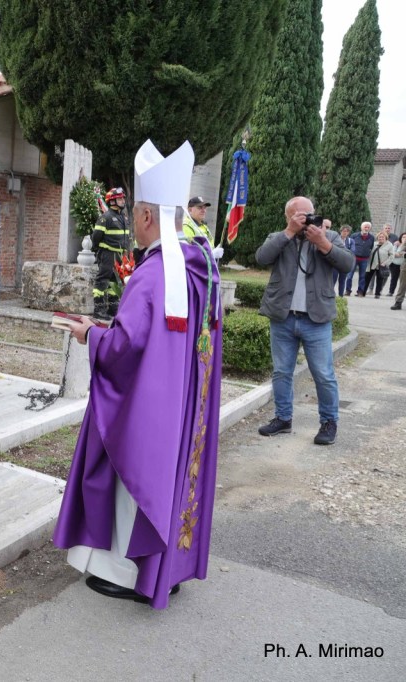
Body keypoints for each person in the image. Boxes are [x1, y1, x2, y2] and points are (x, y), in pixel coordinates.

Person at [54, 140, 222, 609]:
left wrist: (91, 335)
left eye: (135, 215)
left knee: (134, 476)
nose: (132, 224)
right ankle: (165, 572)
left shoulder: (152, 274)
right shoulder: (198, 266)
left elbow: (127, 348)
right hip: (184, 403)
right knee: (169, 475)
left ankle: (128, 573)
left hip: (148, 405)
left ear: (147, 216)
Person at [256, 197, 354, 446]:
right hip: (283, 317)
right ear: (288, 217)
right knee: (281, 372)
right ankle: (283, 418)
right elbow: (262, 257)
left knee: (323, 373)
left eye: (309, 214)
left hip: (316, 318)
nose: (306, 219)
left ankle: (329, 422)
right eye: (299, 216)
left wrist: (322, 243)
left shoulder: (329, 236)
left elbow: (347, 264)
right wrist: (289, 232)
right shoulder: (280, 237)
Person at [91, 187, 130, 318]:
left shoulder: (122, 217)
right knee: (102, 281)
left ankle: (113, 309)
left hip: (119, 256)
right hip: (108, 254)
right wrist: (100, 251)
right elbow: (96, 237)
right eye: (120, 198)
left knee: (114, 282)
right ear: (112, 201)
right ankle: (99, 310)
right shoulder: (106, 217)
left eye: (123, 198)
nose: (123, 200)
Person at [364, 230, 394, 296]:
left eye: (382, 237)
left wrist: (386, 263)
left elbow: (392, 256)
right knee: (366, 279)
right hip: (371, 264)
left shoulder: (389, 245)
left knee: (380, 280)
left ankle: (377, 293)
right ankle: (363, 292)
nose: (381, 238)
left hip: (381, 265)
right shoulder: (374, 244)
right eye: (379, 237)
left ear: (386, 237)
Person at [349, 221, 375, 296]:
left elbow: (371, 247)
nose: (366, 228)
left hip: (364, 259)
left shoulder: (371, 237)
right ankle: (348, 290)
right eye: (365, 227)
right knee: (350, 275)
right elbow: (350, 245)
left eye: (368, 227)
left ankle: (360, 291)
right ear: (361, 227)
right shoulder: (354, 235)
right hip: (354, 258)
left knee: (362, 276)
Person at [335, 225, 355, 296]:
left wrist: (341, 251)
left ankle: (340, 296)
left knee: (342, 280)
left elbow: (352, 251)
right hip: (336, 262)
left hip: (344, 263)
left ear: (349, 233)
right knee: (332, 280)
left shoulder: (351, 241)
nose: (345, 233)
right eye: (343, 231)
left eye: (347, 231)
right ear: (340, 231)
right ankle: (331, 295)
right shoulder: (336, 239)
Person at [389, 232, 406, 300]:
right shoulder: (398, 244)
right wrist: (403, 253)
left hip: (403, 264)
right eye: (403, 237)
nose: (404, 238)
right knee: (395, 279)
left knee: (402, 282)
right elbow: (396, 253)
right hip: (397, 265)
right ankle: (392, 293)